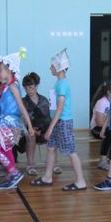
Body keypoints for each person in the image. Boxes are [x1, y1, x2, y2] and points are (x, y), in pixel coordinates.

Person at [30, 49, 87, 191]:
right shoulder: (59, 83)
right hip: (57, 121)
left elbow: (60, 108)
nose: (50, 68)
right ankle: (47, 177)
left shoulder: (62, 84)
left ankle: (81, 181)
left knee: (71, 151)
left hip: (63, 122)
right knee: (50, 148)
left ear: (59, 67)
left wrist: (50, 128)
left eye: (52, 65)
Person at [0, 49, 35, 190]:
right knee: (7, 149)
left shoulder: (13, 86)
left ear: (9, 70)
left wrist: (29, 126)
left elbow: (21, 106)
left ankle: (14, 172)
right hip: (5, 122)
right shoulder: (6, 86)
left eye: (0, 71)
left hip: (10, 123)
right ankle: (12, 174)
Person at [19, 72, 52, 176]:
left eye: (30, 87)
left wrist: (41, 130)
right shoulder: (23, 101)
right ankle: (30, 165)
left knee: (53, 134)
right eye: (26, 88)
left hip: (42, 129)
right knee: (30, 135)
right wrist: (32, 129)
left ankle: (54, 164)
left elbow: (47, 119)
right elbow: (22, 120)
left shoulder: (44, 100)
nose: (28, 90)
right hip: (28, 129)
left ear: (37, 86)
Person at [89, 80, 111, 170]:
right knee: (109, 133)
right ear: (108, 92)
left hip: (108, 126)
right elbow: (99, 123)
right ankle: (103, 161)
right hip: (97, 128)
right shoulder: (102, 102)